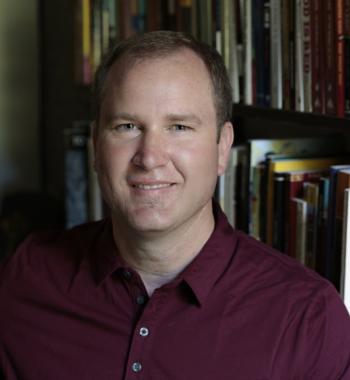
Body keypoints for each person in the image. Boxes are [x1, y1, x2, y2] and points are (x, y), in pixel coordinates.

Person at [0, 31, 349, 380]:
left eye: (179, 126)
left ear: (222, 147)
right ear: (96, 145)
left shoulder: (307, 319)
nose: (150, 157)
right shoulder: (27, 278)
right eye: (127, 126)